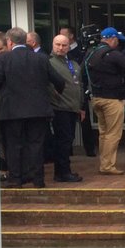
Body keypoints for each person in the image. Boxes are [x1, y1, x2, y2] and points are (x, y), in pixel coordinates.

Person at [0, 27, 66, 189]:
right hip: (38, 109)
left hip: (11, 110)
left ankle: (16, 178)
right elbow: (59, 81)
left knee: (14, 145)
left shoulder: (3, 59)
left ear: (9, 42)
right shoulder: (41, 59)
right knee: (36, 144)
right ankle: (38, 178)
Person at [85, 27, 125, 175]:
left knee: (104, 133)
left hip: (96, 99)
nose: (118, 43)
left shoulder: (90, 53)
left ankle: (104, 163)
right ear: (111, 39)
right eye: (117, 40)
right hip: (112, 99)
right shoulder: (113, 55)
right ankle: (107, 166)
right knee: (113, 134)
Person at [47, 33, 84, 183]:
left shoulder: (73, 64)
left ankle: (64, 171)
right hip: (59, 108)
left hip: (73, 108)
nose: (61, 48)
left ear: (69, 47)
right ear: (52, 45)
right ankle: (62, 172)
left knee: (68, 141)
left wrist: (81, 107)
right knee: (62, 141)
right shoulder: (48, 62)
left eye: (64, 45)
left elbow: (79, 86)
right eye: (58, 44)